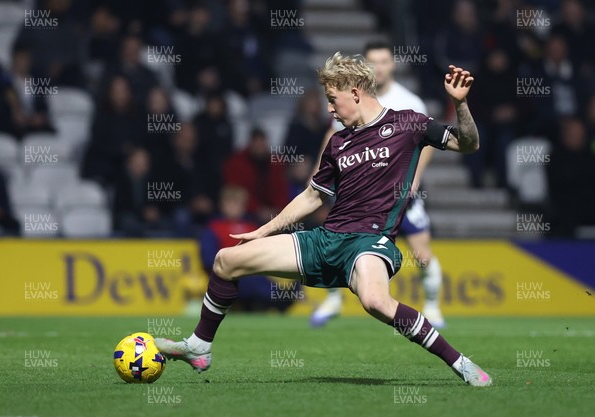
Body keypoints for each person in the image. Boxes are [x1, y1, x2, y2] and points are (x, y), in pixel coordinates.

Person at [156, 52, 492, 386]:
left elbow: (468, 144)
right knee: (225, 260)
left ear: (355, 92)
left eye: (333, 99)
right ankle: (200, 346)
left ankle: (460, 363)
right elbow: (313, 195)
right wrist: (265, 229)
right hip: (327, 239)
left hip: (370, 241)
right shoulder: (338, 142)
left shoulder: (409, 123)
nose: (329, 109)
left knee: (375, 301)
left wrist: (460, 105)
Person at [311, 41, 446, 329]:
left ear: (393, 64)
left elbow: (430, 140)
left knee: (422, 254)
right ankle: (334, 298)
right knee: (336, 240)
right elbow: (333, 136)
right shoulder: (349, 100)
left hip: (399, 192)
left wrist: (415, 178)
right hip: (359, 191)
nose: (379, 67)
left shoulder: (409, 101)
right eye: (373, 62)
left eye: (384, 61)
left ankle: (433, 307)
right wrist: (317, 175)